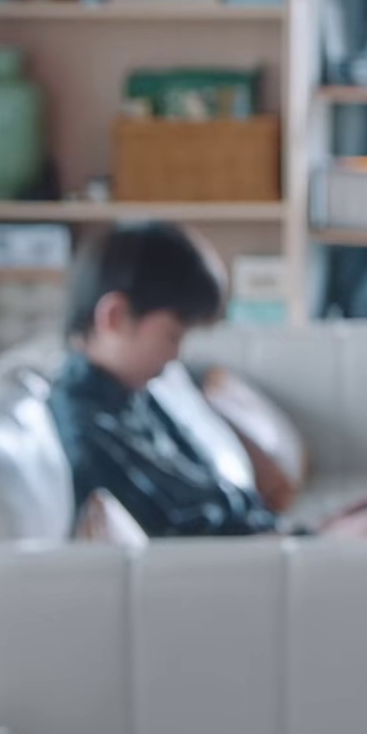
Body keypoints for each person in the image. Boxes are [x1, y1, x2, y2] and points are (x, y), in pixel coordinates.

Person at [45, 221, 284, 539]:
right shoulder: (86, 433)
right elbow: (178, 535)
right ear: (115, 316)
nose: (175, 355)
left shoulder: (136, 394)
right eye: (172, 336)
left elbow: (206, 486)